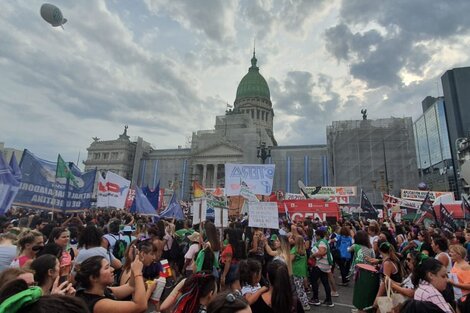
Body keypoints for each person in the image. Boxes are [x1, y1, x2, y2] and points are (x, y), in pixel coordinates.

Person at [75, 255, 155, 313]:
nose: (112, 269)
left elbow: (131, 286)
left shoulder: (103, 291)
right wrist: (138, 274)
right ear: (93, 278)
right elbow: (140, 306)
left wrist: (134, 268)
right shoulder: (99, 304)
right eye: (106, 268)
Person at [309, 228, 334, 307]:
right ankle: (328, 300)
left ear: (319, 235)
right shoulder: (325, 241)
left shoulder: (322, 242)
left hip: (320, 264)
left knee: (313, 280)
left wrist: (313, 255)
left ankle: (315, 299)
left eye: (316, 235)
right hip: (325, 265)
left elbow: (322, 252)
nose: (315, 237)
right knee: (325, 282)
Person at [448, 244, 470, 312]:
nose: (449, 254)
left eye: (452, 252)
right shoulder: (456, 263)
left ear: (459, 254)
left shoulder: (466, 267)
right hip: (456, 297)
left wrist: (454, 283)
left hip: (465, 299)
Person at [290, 235, 310, 310]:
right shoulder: (303, 249)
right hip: (301, 271)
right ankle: (303, 303)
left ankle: (305, 304)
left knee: (298, 289)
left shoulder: (294, 250)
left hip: (295, 271)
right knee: (300, 288)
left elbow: (290, 260)